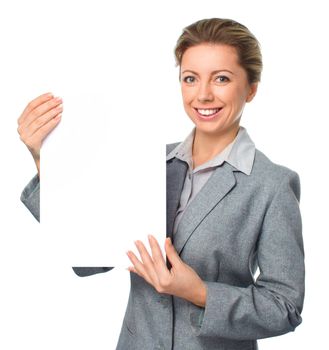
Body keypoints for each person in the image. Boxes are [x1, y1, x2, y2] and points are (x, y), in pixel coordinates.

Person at [17, 17, 305, 350]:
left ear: (251, 87)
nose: (203, 94)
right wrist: (48, 159)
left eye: (221, 78)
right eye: (190, 78)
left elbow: (284, 307)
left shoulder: (272, 184)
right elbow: (87, 261)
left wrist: (198, 292)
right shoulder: (144, 162)